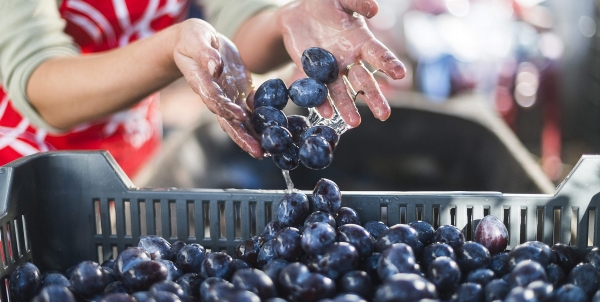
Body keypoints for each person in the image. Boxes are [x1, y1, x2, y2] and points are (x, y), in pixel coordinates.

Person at [0, 0, 406, 177]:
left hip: (129, 157)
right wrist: (170, 49)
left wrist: (285, 19)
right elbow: (39, 84)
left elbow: (239, 26)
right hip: (26, 166)